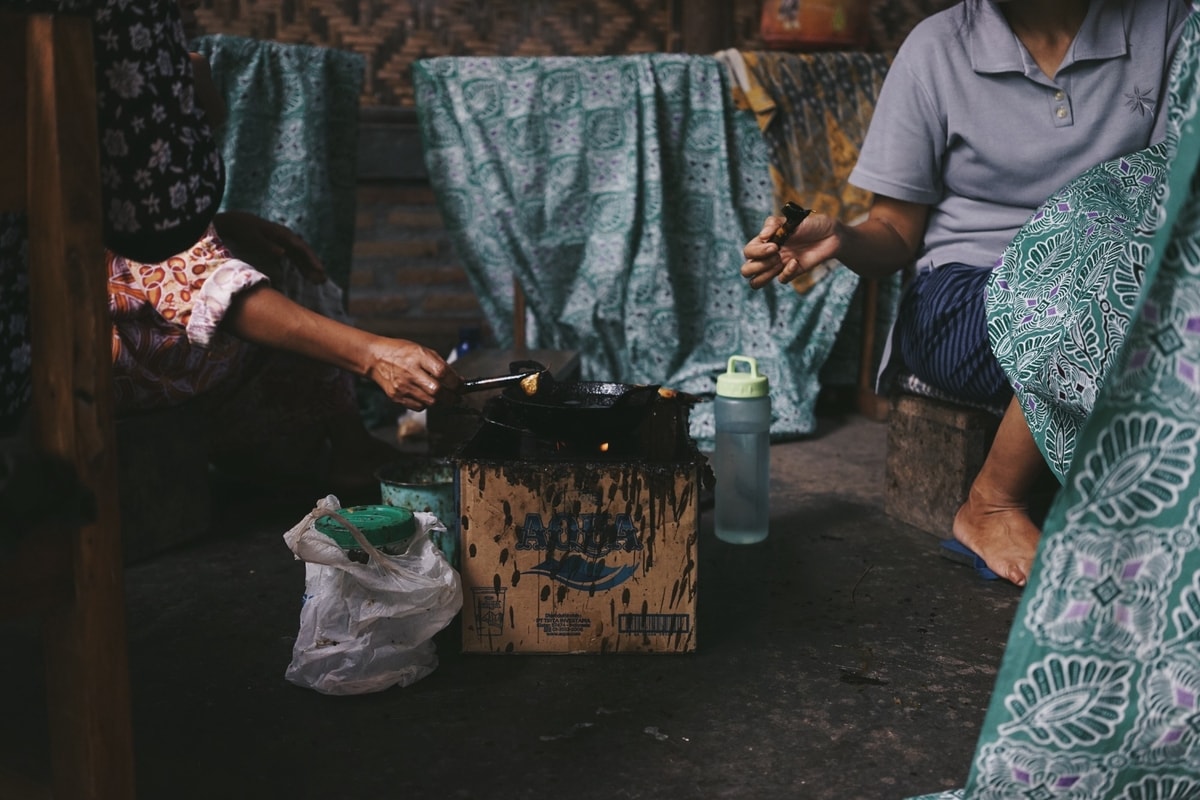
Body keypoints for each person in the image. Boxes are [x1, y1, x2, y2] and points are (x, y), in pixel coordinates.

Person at [740, 0, 1193, 586]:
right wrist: (844, 238)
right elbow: (898, 233)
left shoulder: (1168, 25)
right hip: (964, 308)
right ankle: (991, 504)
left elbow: (1169, 192)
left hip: (1129, 290)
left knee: (1142, 245)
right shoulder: (938, 47)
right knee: (1112, 267)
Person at [1, 0, 462, 494]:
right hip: (55, 341)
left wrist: (222, 222)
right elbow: (162, 243)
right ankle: (352, 379)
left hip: (79, 279)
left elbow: (130, 204)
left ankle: (347, 445)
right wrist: (374, 354)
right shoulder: (95, 25)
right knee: (195, 268)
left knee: (277, 262)